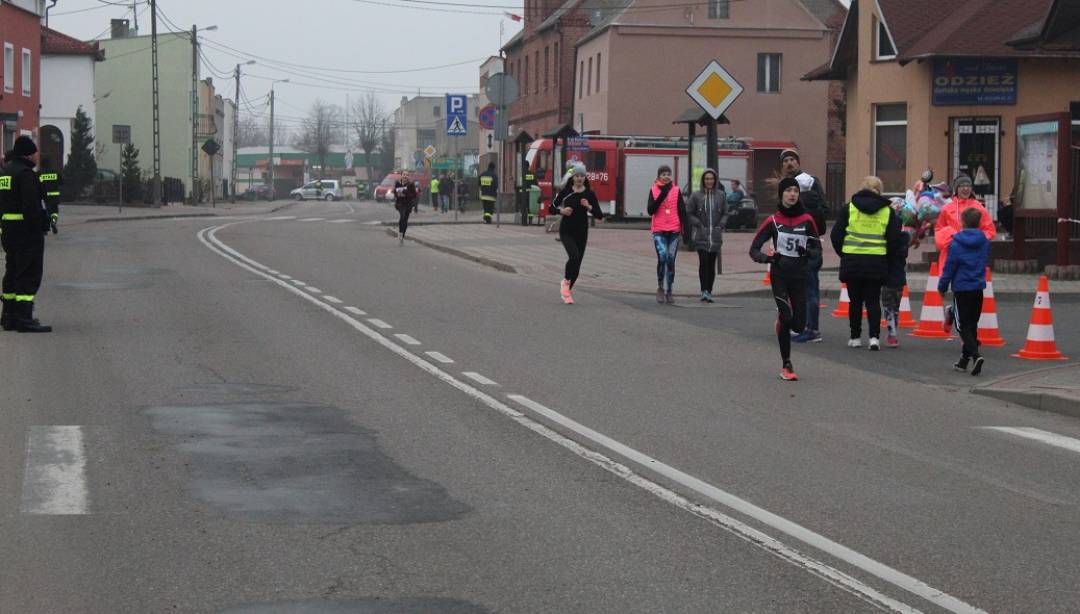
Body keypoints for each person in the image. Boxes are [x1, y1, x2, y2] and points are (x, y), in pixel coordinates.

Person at [750, 177, 821, 381]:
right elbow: (754, 250)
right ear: (782, 194)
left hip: (799, 275)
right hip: (779, 275)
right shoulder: (773, 221)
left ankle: (782, 322)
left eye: (795, 191)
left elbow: (817, 249)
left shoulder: (807, 220)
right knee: (787, 316)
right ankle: (786, 365)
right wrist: (768, 258)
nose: (792, 194)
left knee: (798, 325)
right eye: (788, 190)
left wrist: (808, 252)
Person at [830, 176, 903, 350]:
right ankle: (874, 338)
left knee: (854, 301)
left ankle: (855, 337)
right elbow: (894, 239)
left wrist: (844, 253)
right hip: (876, 260)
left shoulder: (849, 208)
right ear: (880, 190)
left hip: (852, 259)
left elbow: (836, 235)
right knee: (873, 301)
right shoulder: (887, 211)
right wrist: (885, 255)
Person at [1, 136, 52, 333]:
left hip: (9, 230)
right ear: (28, 155)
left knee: (12, 270)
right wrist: (40, 225)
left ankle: (9, 315)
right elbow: (32, 207)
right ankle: (24, 318)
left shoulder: (5, 173)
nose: (36, 156)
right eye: (34, 153)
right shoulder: (26, 175)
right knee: (28, 273)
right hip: (26, 232)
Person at [781, 149, 828, 344]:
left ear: (798, 162)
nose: (789, 163)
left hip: (809, 245)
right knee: (796, 289)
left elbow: (824, 209)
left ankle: (812, 329)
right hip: (791, 245)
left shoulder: (810, 181)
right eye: (786, 160)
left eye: (792, 159)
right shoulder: (785, 185)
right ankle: (801, 325)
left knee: (809, 289)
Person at [938, 207, 990, 376]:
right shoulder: (984, 242)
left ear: (962, 222)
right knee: (972, 324)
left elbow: (950, 267)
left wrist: (942, 286)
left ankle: (976, 355)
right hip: (978, 287)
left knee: (962, 326)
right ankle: (964, 360)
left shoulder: (956, 244)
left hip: (961, 288)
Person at [551, 163, 603, 304]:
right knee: (574, 256)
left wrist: (589, 206)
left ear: (585, 177)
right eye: (577, 176)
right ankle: (566, 283)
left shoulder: (589, 194)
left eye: (582, 176)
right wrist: (562, 211)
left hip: (582, 231)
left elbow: (599, 215)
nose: (579, 178)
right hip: (566, 230)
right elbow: (552, 207)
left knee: (577, 264)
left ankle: (567, 289)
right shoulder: (566, 192)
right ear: (572, 178)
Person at [934, 174, 995, 274]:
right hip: (951, 254)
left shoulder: (979, 207)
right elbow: (939, 230)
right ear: (956, 189)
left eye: (968, 185)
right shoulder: (947, 208)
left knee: (969, 280)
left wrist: (974, 240)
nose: (966, 188)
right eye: (962, 185)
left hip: (972, 254)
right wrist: (950, 239)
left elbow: (990, 231)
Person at [647, 165, 687, 304]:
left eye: (668, 174)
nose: (666, 176)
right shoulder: (653, 190)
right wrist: (662, 195)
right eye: (663, 174)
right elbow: (650, 210)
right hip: (659, 230)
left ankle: (669, 290)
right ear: (658, 176)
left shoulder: (676, 190)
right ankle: (660, 287)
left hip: (674, 230)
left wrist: (685, 230)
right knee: (663, 257)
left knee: (670, 259)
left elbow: (682, 210)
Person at [686, 169, 728, 302]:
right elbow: (689, 212)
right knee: (703, 262)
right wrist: (698, 223)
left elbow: (726, 213)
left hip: (715, 236)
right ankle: (703, 290)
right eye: (706, 179)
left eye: (711, 179)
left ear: (715, 180)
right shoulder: (696, 196)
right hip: (701, 236)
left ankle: (709, 291)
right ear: (703, 180)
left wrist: (721, 225)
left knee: (711, 264)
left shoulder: (721, 195)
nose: (709, 181)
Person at [881, 199, 912, 348]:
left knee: (887, 306)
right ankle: (893, 332)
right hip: (900, 278)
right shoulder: (904, 239)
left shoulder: (885, 240)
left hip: (886, 277)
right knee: (896, 307)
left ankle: (891, 333)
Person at [38, 156, 62, 234]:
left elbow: (36, 183)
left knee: (46, 212)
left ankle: (45, 229)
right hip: (55, 196)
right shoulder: (55, 172)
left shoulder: (39, 173)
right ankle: (53, 222)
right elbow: (61, 182)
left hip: (44, 197)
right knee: (54, 212)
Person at [393, 170, 417, 245]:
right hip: (400, 203)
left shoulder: (411, 184)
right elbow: (395, 192)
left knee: (405, 219)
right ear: (401, 175)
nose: (405, 176)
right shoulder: (397, 183)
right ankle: (400, 232)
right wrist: (396, 193)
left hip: (408, 204)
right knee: (402, 216)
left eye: (407, 175)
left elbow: (414, 195)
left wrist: (406, 192)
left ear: (408, 176)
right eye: (404, 174)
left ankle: (402, 235)